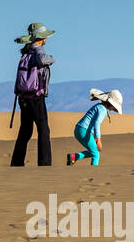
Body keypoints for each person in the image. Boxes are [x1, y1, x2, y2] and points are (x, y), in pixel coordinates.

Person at [10, 22, 56, 166]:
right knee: (43, 130)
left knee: (25, 130)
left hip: (23, 99)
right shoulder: (38, 50)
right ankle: (45, 164)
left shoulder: (27, 52)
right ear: (41, 38)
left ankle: (16, 163)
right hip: (36, 98)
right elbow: (43, 60)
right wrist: (52, 59)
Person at [67, 88, 122, 166]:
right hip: (83, 130)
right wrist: (97, 139)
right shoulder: (102, 110)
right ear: (111, 104)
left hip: (79, 129)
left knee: (93, 152)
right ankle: (94, 173)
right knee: (96, 154)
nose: (114, 109)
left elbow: (91, 121)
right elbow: (97, 123)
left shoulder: (99, 106)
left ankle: (74, 157)